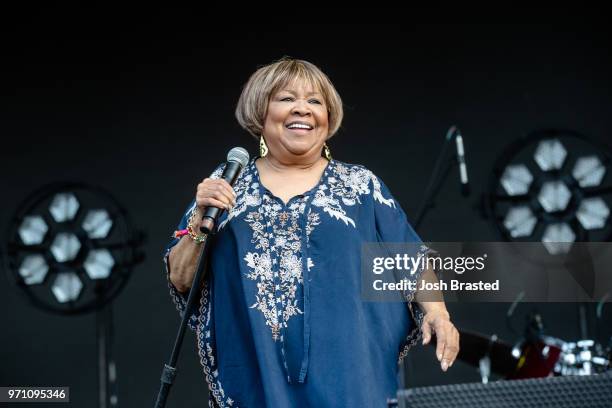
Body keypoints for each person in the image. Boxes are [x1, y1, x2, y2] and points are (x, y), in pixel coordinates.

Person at [164, 57, 459, 407]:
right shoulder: (228, 185)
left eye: (315, 101)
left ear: (328, 117)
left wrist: (439, 314)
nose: (302, 109)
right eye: (287, 98)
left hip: (349, 382)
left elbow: (412, 259)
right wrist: (199, 221)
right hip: (255, 380)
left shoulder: (359, 186)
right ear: (261, 112)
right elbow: (182, 278)